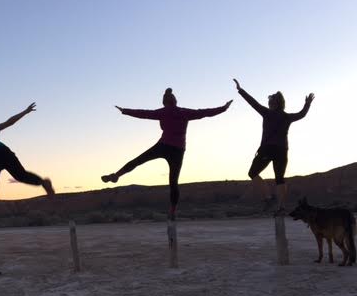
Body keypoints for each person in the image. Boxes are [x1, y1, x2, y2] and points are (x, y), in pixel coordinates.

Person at [101, 88, 232, 220]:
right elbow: (205, 113)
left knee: (138, 160)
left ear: (164, 103)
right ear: (175, 101)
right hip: (178, 150)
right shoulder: (184, 112)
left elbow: (144, 114)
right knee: (173, 182)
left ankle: (116, 175)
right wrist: (224, 108)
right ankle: (173, 210)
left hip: (163, 145)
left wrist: (125, 111)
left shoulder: (163, 112)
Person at [234, 78, 314, 214]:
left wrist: (240, 90)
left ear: (273, 103)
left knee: (252, 173)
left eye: (270, 101)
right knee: (279, 178)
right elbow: (302, 114)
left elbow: (252, 103)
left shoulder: (267, 113)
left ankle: (268, 198)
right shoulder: (287, 117)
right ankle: (281, 207)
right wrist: (307, 104)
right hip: (282, 150)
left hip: (268, 149)